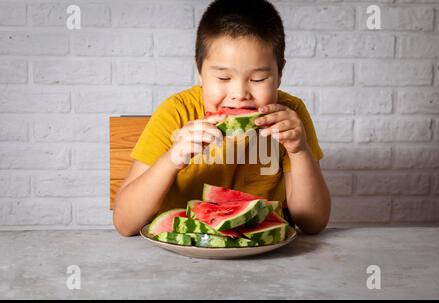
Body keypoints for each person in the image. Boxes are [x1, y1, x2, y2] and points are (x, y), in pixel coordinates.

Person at [113, 0, 330, 237]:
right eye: (223, 78)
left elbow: (313, 223)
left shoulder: (290, 116)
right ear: (199, 73)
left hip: (264, 255)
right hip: (183, 254)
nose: (239, 95)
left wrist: (299, 151)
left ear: (279, 74)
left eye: (258, 79)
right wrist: (172, 159)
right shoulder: (176, 111)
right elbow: (125, 223)